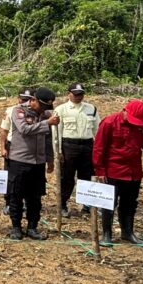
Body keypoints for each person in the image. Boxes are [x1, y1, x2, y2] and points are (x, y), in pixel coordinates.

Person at [92, 99, 143, 245]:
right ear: (124, 110)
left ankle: (128, 232)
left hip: (134, 171)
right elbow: (99, 148)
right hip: (112, 170)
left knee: (130, 203)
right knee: (108, 202)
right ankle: (107, 234)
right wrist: (100, 170)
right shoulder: (109, 122)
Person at [6, 86, 58, 241]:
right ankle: (16, 227)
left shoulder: (46, 115)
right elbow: (24, 129)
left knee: (35, 197)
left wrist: (50, 158)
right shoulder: (18, 111)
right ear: (33, 100)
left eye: (46, 107)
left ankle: (32, 227)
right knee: (16, 195)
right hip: (20, 160)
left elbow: (48, 138)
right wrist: (47, 123)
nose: (44, 109)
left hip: (38, 162)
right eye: (42, 106)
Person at [54, 83, 100, 217]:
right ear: (69, 94)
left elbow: (97, 130)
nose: (78, 97)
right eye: (75, 94)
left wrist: (98, 149)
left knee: (86, 176)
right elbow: (56, 133)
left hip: (87, 145)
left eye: (81, 94)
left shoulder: (91, 109)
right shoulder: (61, 110)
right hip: (69, 145)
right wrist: (58, 152)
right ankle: (62, 203)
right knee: (67, 177)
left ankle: (86, 205)